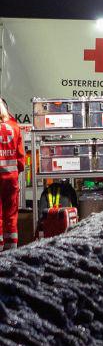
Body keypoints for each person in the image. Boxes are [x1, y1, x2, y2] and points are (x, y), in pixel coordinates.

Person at [0, 99, 25, 251]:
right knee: (11, 215)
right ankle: (12, 249)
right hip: (11, 179)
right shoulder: (15, 127)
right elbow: (21, 159)